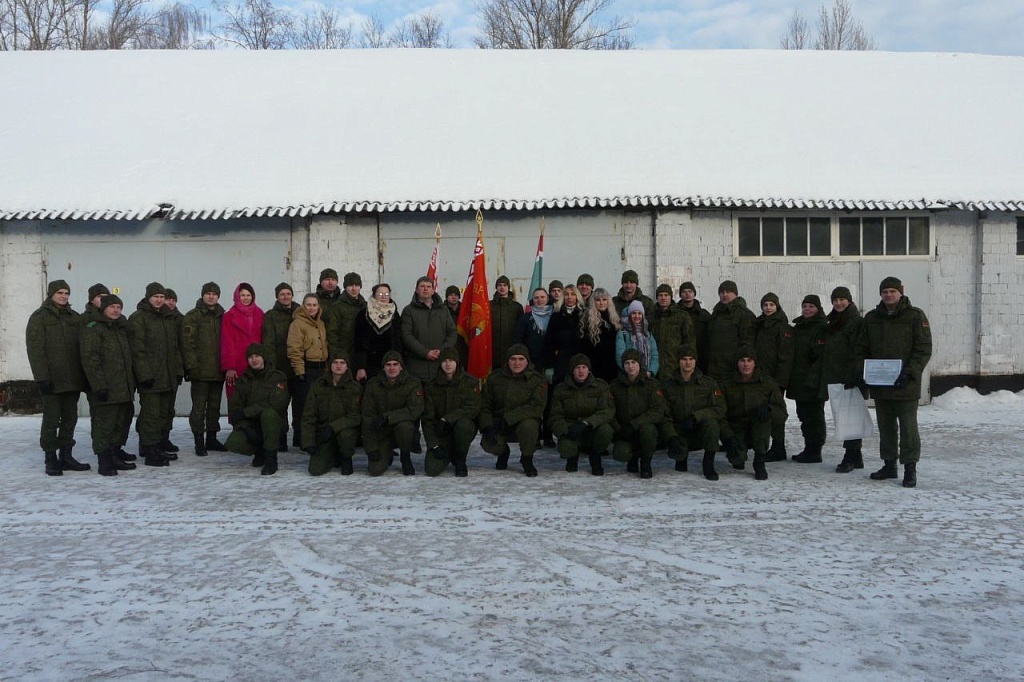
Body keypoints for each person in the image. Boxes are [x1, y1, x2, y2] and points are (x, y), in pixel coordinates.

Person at [854, 276, 932, 488]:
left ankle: (910, 468)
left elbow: (923, 348)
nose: (888, 295)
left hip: (905, 384)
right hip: (880, 383)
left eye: (892, 291)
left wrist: (910, 372)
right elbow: (862, 347)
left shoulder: (915, 316)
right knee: (886, 426)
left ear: (901, 292)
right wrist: (864, 370)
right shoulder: (871, 318)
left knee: (908, 428)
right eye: (885, 291)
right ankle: (889, 465)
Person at [26, 279, 90, 475]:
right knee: (52, 420)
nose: (64, 296)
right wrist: (41, 377)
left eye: (67, 293)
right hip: (52, 380)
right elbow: (35, 350)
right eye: (60, 293)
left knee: (70, 419)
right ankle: (50, 458)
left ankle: (66, 456)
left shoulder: (74, 317)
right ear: (51, 294)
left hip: (72, 379)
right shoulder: (40, 317)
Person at [81, 294, 137, 476]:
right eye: (112, 307)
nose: (116, 310)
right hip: (105, 387)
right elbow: (91, 360)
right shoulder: (94, 329)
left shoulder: (120, 329)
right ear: (103, 308)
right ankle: (104, 460)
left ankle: (114, 455)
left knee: (120, 423)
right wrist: (99, 386)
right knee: (104, 424)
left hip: (123, 386)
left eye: (119, 307)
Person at [129, 282, 184, 467]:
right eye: (156, 297)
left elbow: (175, 348)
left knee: (164, 413)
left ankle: (158, 446)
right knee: (150, 415)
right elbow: (137, 350)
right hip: (151, 378)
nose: (159, 300)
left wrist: (178, 371)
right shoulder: (139, 318)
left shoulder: (168, 318)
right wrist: (144, 375)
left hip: (168, 376)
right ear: (148, 298)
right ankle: (149, 450)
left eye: (162, 297)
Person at [720, 346, 787, 481]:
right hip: (737, 426)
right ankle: (739, 452)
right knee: (736, 460)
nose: (746, 364)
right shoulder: (726, 384)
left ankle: (759, 462)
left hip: (758, 426)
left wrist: (769, 409)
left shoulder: (768, 384)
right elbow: (719, 413)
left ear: (755, 363)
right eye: (742, 361)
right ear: (737, 363)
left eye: (749, 360)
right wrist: (728, 437)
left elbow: (782, 414)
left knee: (763, 421)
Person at [480, 343, 547, 477]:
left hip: (523, 422)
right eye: (513, 359)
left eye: (521, 359)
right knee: (489, 443)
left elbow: (536, 406)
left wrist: (509, 418)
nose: (517, 363)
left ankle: (527, 459)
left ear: (527, 361)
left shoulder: (537, 380)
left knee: (529, 427)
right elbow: (484, 404)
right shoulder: (494, 377)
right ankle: (503, 452)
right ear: (507, 360)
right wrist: (487, 426)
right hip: (499, 423)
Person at [661, 345, 727, 480]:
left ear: (695, 361)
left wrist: (696, 417)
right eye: (684, 359)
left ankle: (708, 464)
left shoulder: (708, 384)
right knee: (679, 457)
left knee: (712, 424)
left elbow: (719, 408)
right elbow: (663, 414)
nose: (688, 362)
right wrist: (671, 436)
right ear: (678, 361)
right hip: (679, 430)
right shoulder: (668, 385)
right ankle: (681, 457)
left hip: (699, 430)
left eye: (691, 359)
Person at [225, 343, 289, 475]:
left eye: (257, 356)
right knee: (233, 443)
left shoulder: (277, 377)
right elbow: (235, 408)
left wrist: (246, 412)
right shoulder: (243, 381)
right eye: (250, 357)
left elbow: (276, 403)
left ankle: (271, 459)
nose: (254, 360)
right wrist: (244, 427)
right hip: (252, 424)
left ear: (263, 357)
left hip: (275, 424)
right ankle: (259, 450)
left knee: (268, 414)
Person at [361, 350, 425, 476]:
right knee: (375, 470)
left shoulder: (413, 383)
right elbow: (367, 417)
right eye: (388, 364)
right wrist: (371, 448)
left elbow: (415, 409)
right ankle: (387, 452)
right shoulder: (373, 385)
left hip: (402, 432)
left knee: (405, 427)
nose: (392, 368)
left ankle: (405, 458)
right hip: (382, 433)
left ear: (401, 367)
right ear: (383, 367)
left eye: (395, 364)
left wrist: (388, 417)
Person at [550, 354, 615, 475]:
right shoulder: (561, 389)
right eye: (577, 367)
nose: (581, 371)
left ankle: (595, 456)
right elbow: (555, 415)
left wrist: (586, 423)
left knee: (606, 430)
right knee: (566, 448)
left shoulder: (600, 386)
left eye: (584, 367)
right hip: (571, 427)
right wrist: (564, 430)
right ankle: (572, 457)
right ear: (572, 370)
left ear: (589, 369)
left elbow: (607, 411)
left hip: (592, 427)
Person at [824, 286, 866, 473]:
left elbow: (860, 349)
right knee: (844, 416)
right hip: (836, 375)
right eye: (835, 300)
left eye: (842, 299)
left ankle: (850, 456)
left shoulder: (855, 321)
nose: (838, 303)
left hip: (850, 377)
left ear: (849, 300)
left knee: (851, 418)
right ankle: (857, 457)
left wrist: (855, 375)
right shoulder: (833, 320)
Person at [182, 282, 226, 457]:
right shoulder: (192, 316)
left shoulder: (223, 316)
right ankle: (199, 441)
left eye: (214, 294)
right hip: (200, 372)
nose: (211, 296)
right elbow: (187, 343)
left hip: (218, 370)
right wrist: (192, 366)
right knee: (199, 408)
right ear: (202, 295)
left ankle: (212, 439)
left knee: (214, 407)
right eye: (208, 293)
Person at [301, 351, 363, 476]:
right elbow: (309, 415)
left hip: (344, 431)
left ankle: (346, 458)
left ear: (347, 366)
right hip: (324, 433)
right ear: (330, 365)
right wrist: (308, 442)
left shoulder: (354, 388)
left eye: (342, 363)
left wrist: (333, 427)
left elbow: (355, 416)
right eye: (335, 362)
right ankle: (332, 455)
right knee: (315, 470)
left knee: (346, 435)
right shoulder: (318, 386)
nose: (338, 366)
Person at [422, 347, 481, 477]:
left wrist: (447, 419)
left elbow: (472, 408)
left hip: (461, 429)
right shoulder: (431, 386)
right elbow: (427, 419)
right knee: (431, 470)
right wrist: (434, 445)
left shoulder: (470, 382)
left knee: (464, 425)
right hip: (441, 433)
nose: (448, 364)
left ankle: (460, 459)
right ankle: (448, 452)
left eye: (451, 361)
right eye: (444, 361)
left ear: (457, 363)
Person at [609, 349, 667, 479]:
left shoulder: (651, 385)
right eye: (627, 363)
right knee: (620, 454)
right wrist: (618, 428)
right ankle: (632, 459)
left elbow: (657, 410)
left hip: (644, 428)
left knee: (648, 430)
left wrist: (635, 424)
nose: (630, 366)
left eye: (634, 362)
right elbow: (609, 409)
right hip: (624, 430)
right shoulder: (615, 386)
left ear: (640, 364)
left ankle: (646, 462)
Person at [788, 294, 829, 464]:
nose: (807, 309)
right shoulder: (797, 328)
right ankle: (808, 447)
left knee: (815, 416)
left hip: (814, 380)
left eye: (811, 306)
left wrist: (813, 377)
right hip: (799, 379)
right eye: (805, 306)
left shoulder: (823, 327)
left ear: (818, 309)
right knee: (803, 414)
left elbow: (820, 355)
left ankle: (815, 450)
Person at [754, 292, 794, 461]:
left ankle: (778, 447)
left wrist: (780, 382)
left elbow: (786, 357)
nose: (768, 308)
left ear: (777, 306)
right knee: (762, 412)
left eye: (771, 305)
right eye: (765, 305)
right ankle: (764, 445)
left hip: (775, 380)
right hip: (760, 378)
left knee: (776, 413)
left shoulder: (783, 327)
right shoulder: (759, 324)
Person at [261, 282, 300, 450]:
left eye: (288, 294)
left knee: (300, 405)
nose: (286, 297)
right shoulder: (271, 316)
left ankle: (299, 438)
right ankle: (281, 439)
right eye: (282, 294)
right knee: (280, 406)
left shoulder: (300, 313)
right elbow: (268, 343)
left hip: (298, 368)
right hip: (280, 368)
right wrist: (272, 367)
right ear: (277, 296)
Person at [287, 293, 329, 447]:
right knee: (303, 405)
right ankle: (300, 438)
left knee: (317, 405)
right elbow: (294, 349)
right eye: (308, 305)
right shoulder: (297, 324)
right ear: (303, 307)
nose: (311, 308)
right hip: (306, 368)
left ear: (318, 307)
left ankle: (314, 437)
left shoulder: (321, 324)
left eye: (314, 305)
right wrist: (300, 371)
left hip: (321, 368)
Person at [401, 276, 457, 383]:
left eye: (428, 286)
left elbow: (452, 333)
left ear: (433, 290)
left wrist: (442, 350)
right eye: (422, 286)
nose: (425, 289)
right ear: (417, 290)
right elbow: (406, 335)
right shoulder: (409, 310)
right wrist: (425, 352)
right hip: (416, 366)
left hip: (440, 366)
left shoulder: (443, 310)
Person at [706, 280, 756, 382]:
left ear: (735, 294)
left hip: (733, 368)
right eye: (722, 292)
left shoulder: (744, 315)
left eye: (728, 292)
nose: (725, 295)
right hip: (714, 367)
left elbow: (748, 342)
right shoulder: (716, 314)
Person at [221, 282, 264, 401]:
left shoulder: (260, 314)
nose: (246, 298)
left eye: (248, 295)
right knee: (237, 397)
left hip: (256, 362)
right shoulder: (229, 316)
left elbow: (263, 339)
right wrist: (230, 367)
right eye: (242, 295)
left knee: (256, 396)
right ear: (237, 297)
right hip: (237, 363)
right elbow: (227, 342)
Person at [354, 282, 403, 382]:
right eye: (380, 294)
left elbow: (398, 340)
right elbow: (359, 342)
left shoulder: (394, 314)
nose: (384, 297)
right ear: (374, 295)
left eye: (386, 294)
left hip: (390, 364)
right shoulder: (364, 313)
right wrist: (361, 367)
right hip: (370, 364)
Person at [649, 283, 694, 380]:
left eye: (666, 295)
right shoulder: (651, 316)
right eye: (660, 295)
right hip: (654, 366)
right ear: (657, 297)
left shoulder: (682, 316)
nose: (663, 298)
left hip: (674, 366)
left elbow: (689, 342)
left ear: (671, 297)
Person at [545, 284, 584, 387]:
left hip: (580, 358)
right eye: (566, 294)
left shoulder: (584, 315)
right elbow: (549, 340)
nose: (569, 297)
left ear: (577, 297)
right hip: (561, 359)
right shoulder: (556, 315)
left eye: (573, 294)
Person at [579, 288, 621, 383]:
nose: (601, 303)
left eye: (604, 300)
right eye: (598, 300)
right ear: (593, 302)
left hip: (612, 364)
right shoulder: (586, 320)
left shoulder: (615, 320)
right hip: (594, 365)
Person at [325, 272, 366, 361]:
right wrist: (337, 355)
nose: (354, 289)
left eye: (357, 285)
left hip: (362, 356)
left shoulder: (365, 306)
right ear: (345, 287)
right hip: (344, 354)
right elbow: (332, 333)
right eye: (350, 285)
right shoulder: (337, 307)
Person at [615, 300, 660, 378]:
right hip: (629, 376)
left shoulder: (647, 334)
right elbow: (620, 355)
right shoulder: (623, 333)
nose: (637, 316)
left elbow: (655, 355)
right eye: (634, 313)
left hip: (647, 376)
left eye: (639, 313)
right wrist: (631, 371)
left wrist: (651, 371)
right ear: (629, 315)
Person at [677, 282, 712, 375]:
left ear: (694, 294)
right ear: (680, 294)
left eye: (690, 291)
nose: (687, 294)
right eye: (684, 291)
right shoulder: (675, 314)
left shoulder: (704, 315)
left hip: (701, 355)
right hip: (681, 356)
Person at [514, 287, 551, 372]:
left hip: (550, 360)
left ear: (547, 298)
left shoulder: (554, 315)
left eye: (542, 297)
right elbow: (518, 338)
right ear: (532, 300)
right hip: (531, 361)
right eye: (536, 297)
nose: (539, 300)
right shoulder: (525, 317)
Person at [490, 275, 523, 370]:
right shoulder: (488, 305)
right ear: (496, 287)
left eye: (504, 285)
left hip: (510, 350)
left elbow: (520, 329)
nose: (502, 287)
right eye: (499, 285)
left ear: (508, 287)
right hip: (492, 351)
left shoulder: (517, 307)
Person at [444, 284, 469, 367]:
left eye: (456, 295)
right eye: (451, 295)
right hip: (447, 346)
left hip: (463, 347)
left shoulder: (465, 311)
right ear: (447, 297)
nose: (453, 297)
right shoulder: (441, 311)